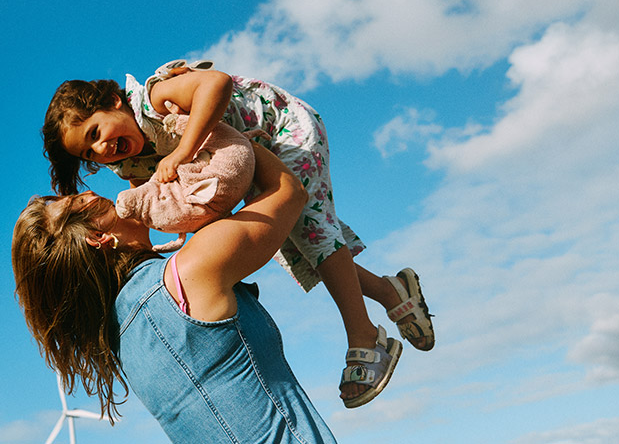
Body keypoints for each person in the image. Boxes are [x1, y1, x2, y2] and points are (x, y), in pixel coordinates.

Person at [41, 60, 434, 407]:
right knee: (294, 243)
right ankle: (391, 292)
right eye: (89, 154)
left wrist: (181, 151)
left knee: (309, 227)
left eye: (95, 133)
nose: (102, 149)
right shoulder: (130, 166)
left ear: (113, 101)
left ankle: (365, 336)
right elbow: (153, 202)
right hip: (246, 163)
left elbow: (217, 83)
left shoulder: (154, 99)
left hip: (279, 129)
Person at [13, 139, 338, 442]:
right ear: (99, 240)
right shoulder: (192, 271)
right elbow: (290, 191)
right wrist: (228, 137)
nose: (94, 193)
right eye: (83, 202)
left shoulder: (121, 341)